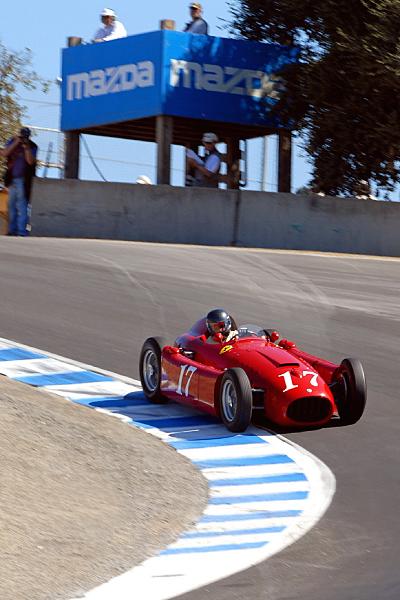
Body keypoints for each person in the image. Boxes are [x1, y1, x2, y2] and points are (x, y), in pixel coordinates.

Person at [0, 128, 38, 236]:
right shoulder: (13, 141)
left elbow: (30, 161)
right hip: (11, 179)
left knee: (22, 206)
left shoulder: (32, 146)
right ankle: (12, 230)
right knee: (11, 206)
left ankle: (21, 231)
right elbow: (4, 153)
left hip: (24, 181)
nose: (22, 138)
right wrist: (16, 142)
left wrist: (26, 148)